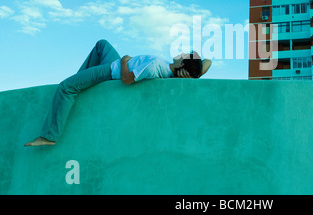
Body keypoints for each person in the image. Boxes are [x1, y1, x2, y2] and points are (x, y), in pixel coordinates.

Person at [24, 39, 211, 147]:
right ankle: (80, 78)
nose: (181, 52)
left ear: (181, 64)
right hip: (112, 64)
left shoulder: (155, 67)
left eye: (184, 54)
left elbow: (127, 79)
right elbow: (207, 63)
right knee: (102, 45)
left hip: (111, 71)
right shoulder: (170, 70)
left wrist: (123, 60)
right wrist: (193, 74)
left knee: (66, 87)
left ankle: (49, 136)